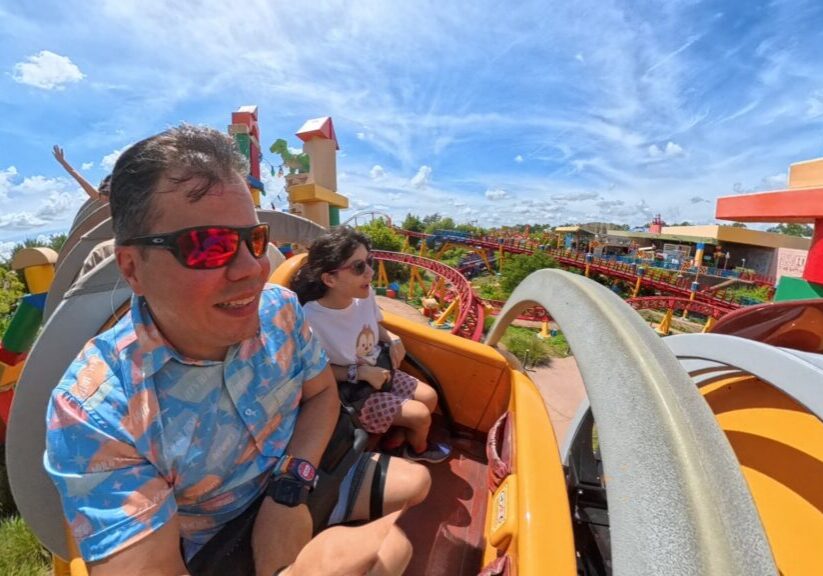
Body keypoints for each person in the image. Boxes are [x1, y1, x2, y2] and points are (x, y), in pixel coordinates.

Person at [44, 125, 431, 576]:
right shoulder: (96, 412)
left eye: (254, 240)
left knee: (418, 486)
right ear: (133, 267)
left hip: (300, 477)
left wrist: (289, 487)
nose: (252, 269)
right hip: (221, 544)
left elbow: (323, 396)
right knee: (389, 553)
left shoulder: (280, 310)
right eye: (210, 246)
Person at [293, 227, 451, 464]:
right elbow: (312, 374)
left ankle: (398, 435)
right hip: (355, 393)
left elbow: (375, 327)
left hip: (381, 368)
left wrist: (392, 338)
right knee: (420, 415)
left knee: (429, 397)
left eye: (370, 261)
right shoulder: (312, 321)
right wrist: (360, 373)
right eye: (358, 267)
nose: (370, 272)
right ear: (329, 279)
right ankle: (418, 449)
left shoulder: (363, 296)